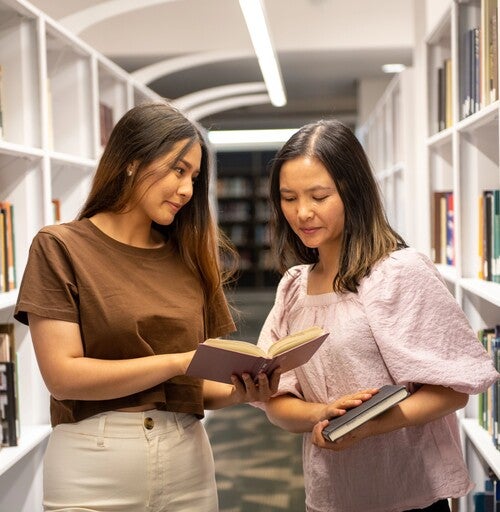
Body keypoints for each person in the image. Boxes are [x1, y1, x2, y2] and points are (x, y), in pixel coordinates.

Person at [13, 102, 281, 512]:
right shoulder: (60, 246)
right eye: (178, 170)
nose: (188, 190)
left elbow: (196, 387)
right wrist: (176, 363)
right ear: (132, 162)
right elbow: (63, 376)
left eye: (193, 177)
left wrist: (242, 392)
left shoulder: (190, 255)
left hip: (188, 462)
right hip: (93, 468)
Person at [255, 119, 500, 512]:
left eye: (319, 196)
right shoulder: (293, 287)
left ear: (352, 192)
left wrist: (370, 425)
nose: (302, 213)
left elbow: (454, 388)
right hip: (331, 495)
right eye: (288, 198)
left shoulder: (398, 272)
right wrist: (325, 414)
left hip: (408, 494)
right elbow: (279, 404)